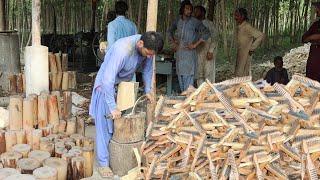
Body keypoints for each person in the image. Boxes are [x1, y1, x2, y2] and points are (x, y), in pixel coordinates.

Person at [89, 32, 164, 178]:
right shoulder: (122, 49)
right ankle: (103, 164)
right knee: (105, 127)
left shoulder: (148, 50)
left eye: (151, 55)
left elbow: (148, 69)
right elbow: (107, 80)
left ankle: (117, 159)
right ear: (140, 44)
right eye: (148, 53)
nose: (149, 57)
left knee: (119, 126)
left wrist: (148, 90)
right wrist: (112, 106)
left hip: (123, 86)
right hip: (106, 87)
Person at [168, 0, 210, 93]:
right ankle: (184, 98)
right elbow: (169, 31)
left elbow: (206, 33)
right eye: (187, 9)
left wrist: (195, 44)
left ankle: (189, 99)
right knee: (180, 76)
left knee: (188, 77)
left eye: (191, 9)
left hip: (189, 54)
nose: (189, 11)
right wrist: (173, 43)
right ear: (182, 9)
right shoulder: (177, 21)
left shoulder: (195, 22)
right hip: (179, 53)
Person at [234, 8, 265, 77]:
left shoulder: (247, 27)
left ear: (242, 16)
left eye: (237, 15)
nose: (235, 18)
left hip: (245, 54)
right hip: (240, 54)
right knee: (239, 73)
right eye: (235, 15)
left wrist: (252, 48)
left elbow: (261, 35)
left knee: (242, 74)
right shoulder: (240, 27)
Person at [194, 5, 218, 85]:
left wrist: (211, 51)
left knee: (208, 73)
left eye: (197, 11)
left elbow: (215, 38)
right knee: (199, 74)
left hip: (207, 52)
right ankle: (200, 92)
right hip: (198, 52)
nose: (195, 13)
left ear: (203, 12)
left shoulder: (209, 24)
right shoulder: (195, 24)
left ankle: (209, 93)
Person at [302, 2, 320, 82]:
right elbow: (303, 39)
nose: (316, 11)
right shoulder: (316, 25)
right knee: (311, 78)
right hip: (314, 55)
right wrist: (311, 37)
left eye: (318, 9)